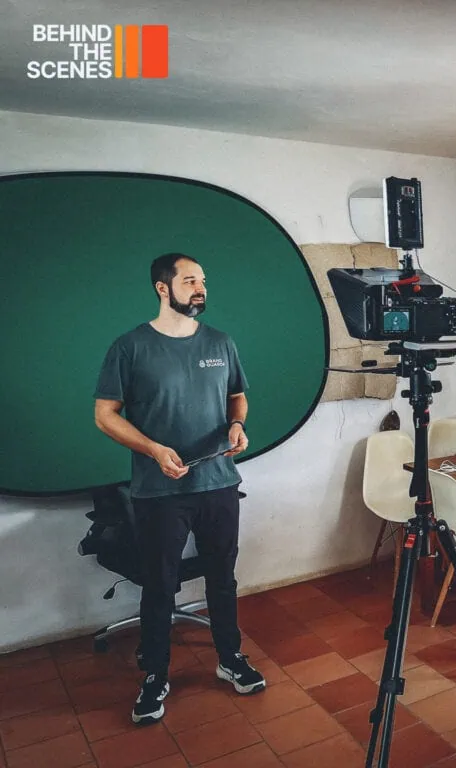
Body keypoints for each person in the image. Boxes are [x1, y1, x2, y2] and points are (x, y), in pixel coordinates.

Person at [94, 253, 265, 726]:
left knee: (222, 577)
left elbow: (238, 396)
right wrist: (151, 449)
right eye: (190, 280)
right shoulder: (130, 347)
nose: (200, 287)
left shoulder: (220, 342)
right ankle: (155, 674)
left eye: (203, 280)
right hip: (159, 489)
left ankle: (230, 658)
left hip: (218, 483)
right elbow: (104, 414)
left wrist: (236, 425)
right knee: (160, 585)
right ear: (162, 288)